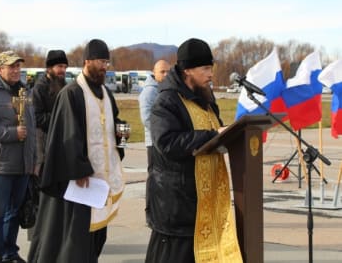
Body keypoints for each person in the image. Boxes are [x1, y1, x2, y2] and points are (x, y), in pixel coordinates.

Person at [145, 38, 243, 263]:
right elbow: (167, 142)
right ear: (188, 70)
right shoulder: (166, 101)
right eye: (205, 68)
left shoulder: (205, 98)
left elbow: (215, 130)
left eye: (211, 68)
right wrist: (213, 135)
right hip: (177, 201)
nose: (210, 74)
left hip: (203, 198)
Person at [28, 39, 126, 263]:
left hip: (100, 180)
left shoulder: (106, 94)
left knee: (97, 235)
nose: (104, 67)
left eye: (107, 63)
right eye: (101, 62)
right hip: (80, 180)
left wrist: (123, 139)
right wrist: (79, 169)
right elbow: (67, 134)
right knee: (75, 237)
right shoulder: (72, 93)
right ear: (87, 61)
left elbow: (115, 126)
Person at [0, 51, 36, 263]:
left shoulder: (24, 92)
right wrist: (11, 134)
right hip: (1, 165)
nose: (16, 70)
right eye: (11, 67)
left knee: (14, 213)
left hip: (22, 165)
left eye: (18, 66)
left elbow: (31, 128)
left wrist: (34, 160)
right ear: (0, 69)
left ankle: (9, 252)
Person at [138, 59, 170, 224]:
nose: (165, 75)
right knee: (154, 177)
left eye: (167, 72)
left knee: (163, 178)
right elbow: (146, 118)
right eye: (162, 72)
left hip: (164, 141)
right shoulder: (150, 92)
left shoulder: (165, 89)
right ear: (154, 72)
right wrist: (163, 133)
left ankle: (161, 211)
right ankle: (150, 212)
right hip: (154, 142)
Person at [32, 49, 69, 177]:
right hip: (44, 146)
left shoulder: (64, 85)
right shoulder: (39, 88)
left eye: (64, 67)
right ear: (49, 68)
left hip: (62, 144)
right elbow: (36, 117)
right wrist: (61, 118)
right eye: (59, 66)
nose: (62, 70)